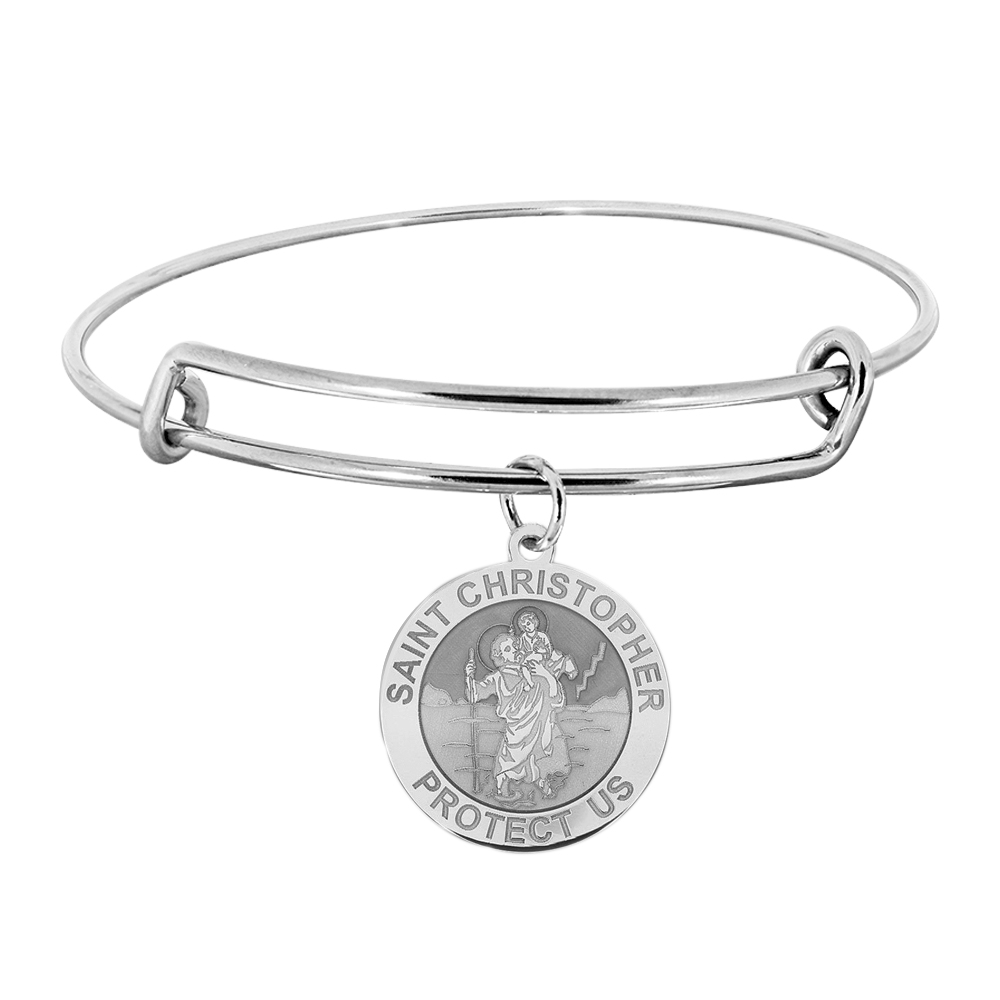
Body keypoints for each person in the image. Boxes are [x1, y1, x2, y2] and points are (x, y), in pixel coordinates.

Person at [466, 631, 570, 800]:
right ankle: (502, 790)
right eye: (508, 649)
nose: (514, 650)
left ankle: (542, 784)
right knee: (508, 759)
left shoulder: (534, 671)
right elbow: (474, 695)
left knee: (535, 758)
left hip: (537, 726)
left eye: (515, 646)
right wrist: (469, 677)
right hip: (516, 729)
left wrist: (546, 674)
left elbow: (556, 699)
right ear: (499, 656)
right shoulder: (497, 678)